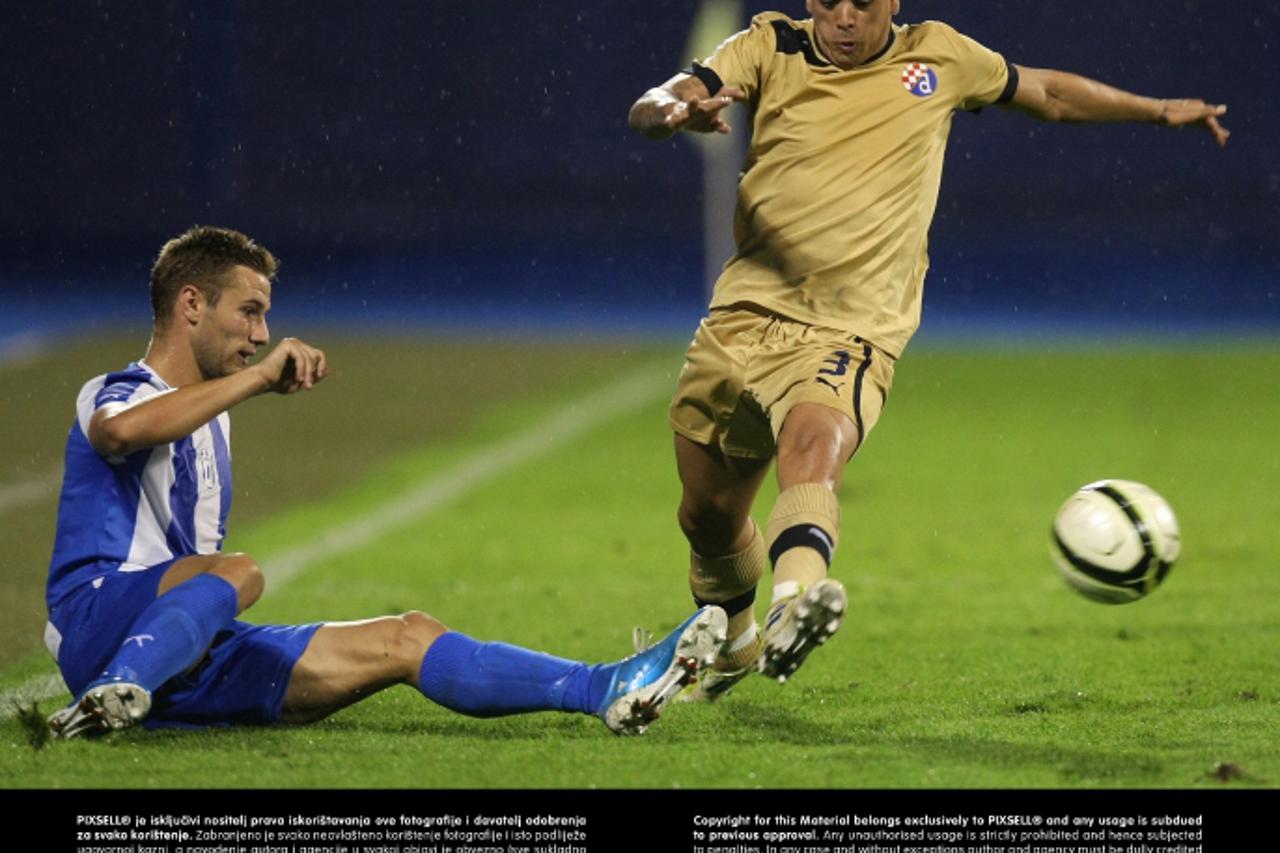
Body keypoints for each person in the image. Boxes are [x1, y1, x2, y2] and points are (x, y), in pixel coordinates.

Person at [627, 0, 1229, 697]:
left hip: (851, 324)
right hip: (743, 313)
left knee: (814, 437)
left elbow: (1049, 94)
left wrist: (1156, 111)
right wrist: (669, 114)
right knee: (707, 516)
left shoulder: (939, 56)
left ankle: (797, 601)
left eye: (863, 2)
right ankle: (734, 641)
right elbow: (666, 94)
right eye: (829, 1)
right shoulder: (769, 46)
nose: (843, 17)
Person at [43, 225, 727, 738]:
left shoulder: (215, 416)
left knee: (408, 636)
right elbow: (121, 432)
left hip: (183, 651)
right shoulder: (117, 388)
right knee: (239, 571)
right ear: (191, 302)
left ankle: (604, 686)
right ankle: (114, 689)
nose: (262, 332)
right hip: (98, 623)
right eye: (248, 310)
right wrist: (255, 380)